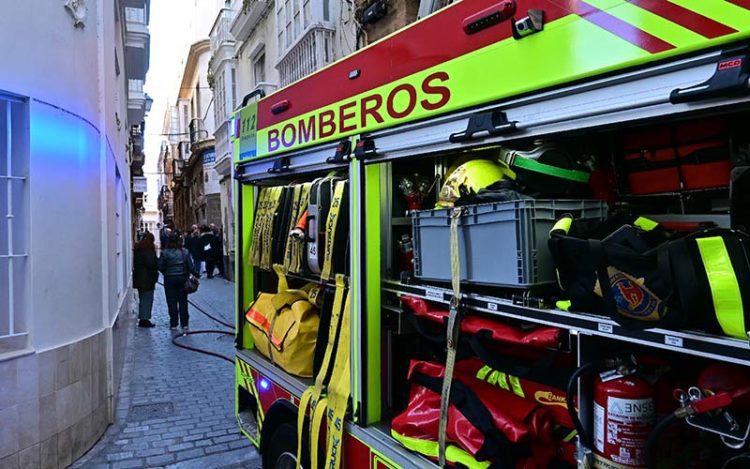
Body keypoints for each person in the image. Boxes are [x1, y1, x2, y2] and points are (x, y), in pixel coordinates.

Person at [158, 233, 199, 330]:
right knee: (183, 301)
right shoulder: (185, 252)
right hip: (182, 278)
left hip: (169, 279)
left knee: (171, 301)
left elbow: (160, 266)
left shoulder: (164, 252)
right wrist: (196, 274)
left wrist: (166, 272)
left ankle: (173, 323)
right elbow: (191, 266)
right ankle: (184, 323)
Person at [133, 232, 158, 328]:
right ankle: (144, 319)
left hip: (139, 278)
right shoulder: (148, 250)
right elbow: (151, 264)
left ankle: (143, 318)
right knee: (147, 299)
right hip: (147, 279)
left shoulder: (138, 249)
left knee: (142, 298)